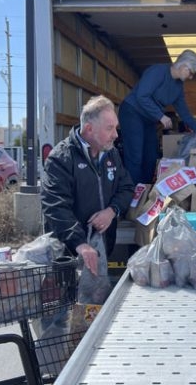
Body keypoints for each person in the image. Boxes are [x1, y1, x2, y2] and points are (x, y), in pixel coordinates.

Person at [41, 95, 134, 275]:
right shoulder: (61, 158)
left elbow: (126, 187)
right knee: (71, 300)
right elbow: (55, 205)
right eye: (110, 128)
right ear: (89, 129)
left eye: (116, 128)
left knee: (98, 299)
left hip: (103, 246)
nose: (115, 134)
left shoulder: (111, 154)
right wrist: (80, 244)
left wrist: (112, 211)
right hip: (70, 253)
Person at [118, 49, 196, 185]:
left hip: (148, 118)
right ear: (183, 66)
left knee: (151, 157)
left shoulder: (178, 86)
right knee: (135, 156)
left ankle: (145, 193)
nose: (191, 77)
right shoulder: (158, 71)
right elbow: (142, 96)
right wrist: (161, 116)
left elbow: (183, 111)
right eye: (191, 73)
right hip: (132, 112)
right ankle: (133, 196)